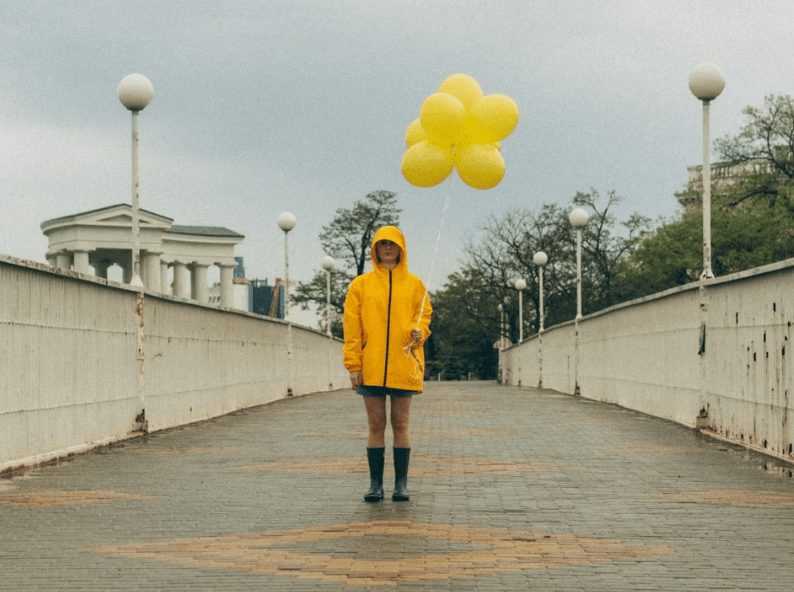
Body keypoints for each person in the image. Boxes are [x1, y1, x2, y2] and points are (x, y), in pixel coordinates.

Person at [343, 226, 432, 502]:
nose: (389, 248)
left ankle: (401, 485)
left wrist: (420, 332)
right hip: (370, 366)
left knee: (401, 423)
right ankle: (375, 485)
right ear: (376, 250)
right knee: (376, 424)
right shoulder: (361, 285)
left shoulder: (415, 284)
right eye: (383, 244)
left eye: (393, 244)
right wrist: (353, 365)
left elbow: (424, 316)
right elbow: (351, 327)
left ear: (401, 249)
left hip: (403, 364)